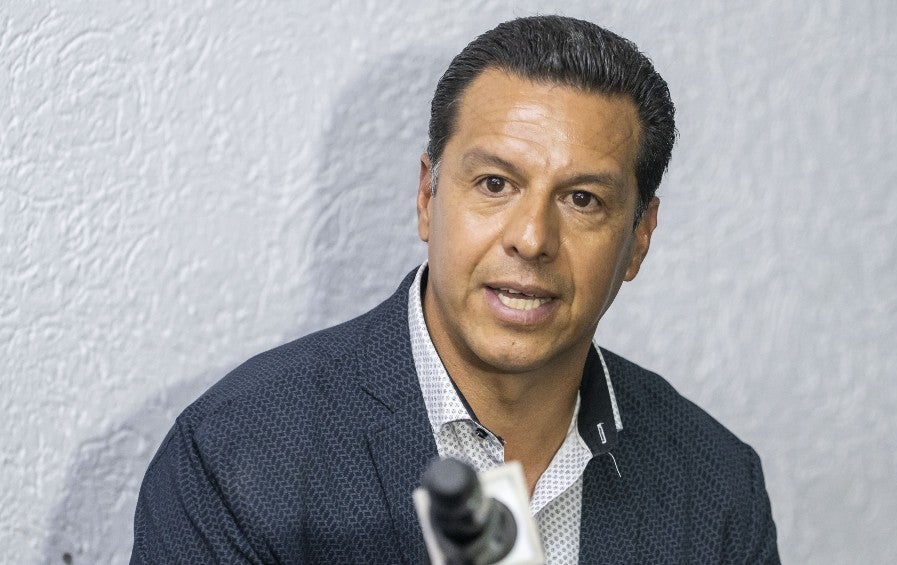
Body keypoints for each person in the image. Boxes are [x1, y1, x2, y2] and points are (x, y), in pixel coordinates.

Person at [131, 15, 779, 564]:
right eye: (495, 184)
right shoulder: (237, 457)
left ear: (639, 236)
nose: (531, 238)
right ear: (427, 196)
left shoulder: (717, 486)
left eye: (582, 199)